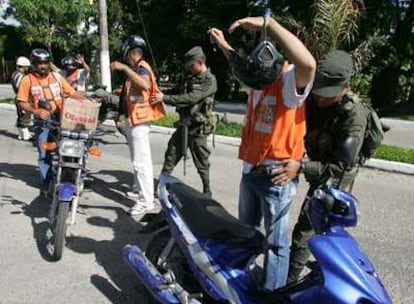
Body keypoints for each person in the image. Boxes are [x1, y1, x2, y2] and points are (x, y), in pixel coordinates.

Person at [209, 16, 316, 290]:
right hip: (251, 170)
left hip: (276, 176)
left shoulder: (290, 79)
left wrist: (270, 24)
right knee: (246, 235)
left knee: (275, 245)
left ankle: (271, 296)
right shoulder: (256, 77)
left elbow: (309, 63)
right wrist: (223, 45)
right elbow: (241, 65)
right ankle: (245, 287)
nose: (248, 70)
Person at [276, 50, 369, 283]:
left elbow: (340, 167)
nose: (319, 98)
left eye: (326, 94)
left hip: (337, 177)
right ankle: (300, 279)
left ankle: (293, 284)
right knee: (313, 231)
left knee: (311, 232)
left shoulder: (354, 116)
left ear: (345, 86)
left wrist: (301, 168)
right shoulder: (317, 101)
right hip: (318, 163)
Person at [150, 46, 218, 197]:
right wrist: (161, 92)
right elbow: (178, 90)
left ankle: (207, 189)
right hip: (184, 124)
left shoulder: (209, 80)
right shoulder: (190, 78)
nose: (189, 69)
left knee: (201, 161)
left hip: (199, 128)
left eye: (191, 66)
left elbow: (191, 98)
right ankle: (161, 184)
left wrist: (164, 99)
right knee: (172, 153)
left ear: (200, 62)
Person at [16, 48, 85, 196]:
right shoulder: (27, 81)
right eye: (39, 63)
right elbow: (21, 102)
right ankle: (46, 183)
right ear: (33, 64)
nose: (43, 66)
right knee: (44, 153)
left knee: (70, 148)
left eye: (46, 63)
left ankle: (73, 178)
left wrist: (89, 101)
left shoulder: (57, 77)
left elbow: (72, 93)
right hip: (42, 121)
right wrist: (36, 111)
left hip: (62, 118)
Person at [110, 35, 165, 215]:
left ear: (130, 53)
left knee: (142, 163)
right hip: (134, 120)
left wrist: (124, 68)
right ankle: (139, 192)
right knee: (138, 161)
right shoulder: (136, 69)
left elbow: (144, 84)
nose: (125, 60)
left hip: (140, 121)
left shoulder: (142, 67)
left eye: (126, 57)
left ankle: (146, 202)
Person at [11, 56, 32, 140]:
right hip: (22, 98)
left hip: (18, 97)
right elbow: (20, 87)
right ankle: (26, 136)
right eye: (27, 66)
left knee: (21, 116)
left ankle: (21, 135)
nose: (28, 68)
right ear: (23, 66)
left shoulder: (14, 73)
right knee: (25, 117)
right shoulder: (21, 75)